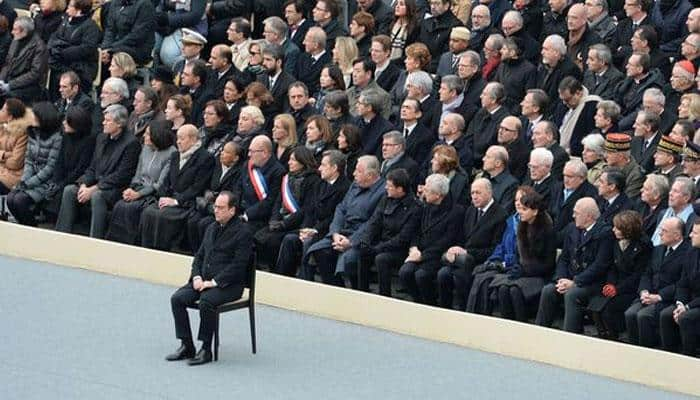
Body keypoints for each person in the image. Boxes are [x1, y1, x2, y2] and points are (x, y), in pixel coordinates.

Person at [166, 191, 253, 366]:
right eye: (215, 207)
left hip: (228, 286)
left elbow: (238, 266)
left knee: (206, 302)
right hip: (203, 280)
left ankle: (206, 349)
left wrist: (213, 283)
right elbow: (199, 256)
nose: (216, 211)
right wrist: (197, 277)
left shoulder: (243, 232)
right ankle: (186, 345)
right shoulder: (211, 227)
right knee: (177, 298)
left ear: (232, 210)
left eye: (221, 208)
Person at [55, 104, 140, 238]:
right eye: (104, 119)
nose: (103, 123)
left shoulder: (131, 143)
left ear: (119, 124)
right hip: (96, 183)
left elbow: (122, 175)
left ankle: (95, 239)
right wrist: (83, 183)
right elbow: (92, 167)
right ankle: (62, 234)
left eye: (108, 120)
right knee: (70, 190)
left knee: (97, 196)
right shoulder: (101, 138)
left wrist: (94, 188)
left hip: (115, 188)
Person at [302, 155, 384, 286]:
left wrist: (351, 241)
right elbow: (341, 208)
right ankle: (335, 288)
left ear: (370, 175)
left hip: (363, 239)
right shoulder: (355, 185)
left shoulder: (382, 192)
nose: (354, 173)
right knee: (318, 250)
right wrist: (335, 233)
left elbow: (373, 222)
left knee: (349, 260)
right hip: (342, 233)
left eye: (358, 171)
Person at [536, 197, 614, 333]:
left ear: (588, 216)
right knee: (549, 290)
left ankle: (570, 335)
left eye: (576, 213)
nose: (573, 216)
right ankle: (540, 331)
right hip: (569, 279)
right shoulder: (572, 228)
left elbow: (600, 265)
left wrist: (575, 282)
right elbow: (564, 258)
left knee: (572, 294)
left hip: (592, 283)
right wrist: (561, 278)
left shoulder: (605, 233)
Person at [274, 150, 351, 276]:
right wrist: (306, 228)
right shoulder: (320, 183)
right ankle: (283, 278)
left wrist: (314, 230)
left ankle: (305, 280)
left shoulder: (344, 188)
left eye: (323, 165)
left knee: (309, 242)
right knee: (289, 239)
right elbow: (309, 209)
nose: (319, 168)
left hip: (326, 231)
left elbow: (335, 216)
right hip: (310, 227)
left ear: (334, 168)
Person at [140, 124, 214, 251]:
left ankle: (165, 251)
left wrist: (176, 201)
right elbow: (167, 180)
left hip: (187, 203)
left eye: (182, 138)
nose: (178, 142)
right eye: (177, 138)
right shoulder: (175, 156)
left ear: (193, 140)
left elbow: (198, 187)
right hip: (170, 198)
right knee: (148, 211)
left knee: (164, 215)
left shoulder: (205, 158)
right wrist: (164, 196)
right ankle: (147, 250)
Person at [437, 178, 507, 310]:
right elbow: (461, 238)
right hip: (462, 259)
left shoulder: (500, 215)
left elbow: (495, 249)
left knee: (461, 274)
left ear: (489, 192)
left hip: (481, 261)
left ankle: (464, 312)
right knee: (443, 274)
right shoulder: (470, 210)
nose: (474, 196)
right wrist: (454, 249)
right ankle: (444, 311)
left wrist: (467, 252)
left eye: (478, 193)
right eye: (472, 193)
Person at [489, 189, 556, 321]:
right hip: (524, 272)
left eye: (525, 209)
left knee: (514, 290)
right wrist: (518, 267)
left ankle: (521, 324)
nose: (520, 212)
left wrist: (525, 270)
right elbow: (522, 257)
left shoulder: (547, 231)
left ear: (535, 211)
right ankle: (506, 324)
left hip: (540, 275)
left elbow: (548, 264)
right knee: (503, 288)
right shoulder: (522, 226)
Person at [105, 119, 176, 244]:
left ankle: (132, 244)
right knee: (120, 205)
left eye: (148, 134)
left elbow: (159, 184)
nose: (144, 136)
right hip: (138, 188)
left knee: (133, 208)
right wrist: (131, 189)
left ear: (157, 135)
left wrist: (139, 194)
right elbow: (137, 174)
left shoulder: (171, 153)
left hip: (152, 193)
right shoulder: (145, 149)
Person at [399, 173, 464, 305]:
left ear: (438, 195)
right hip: (420, 251)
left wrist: (423, 256)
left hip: (437, 255)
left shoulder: (455, 211)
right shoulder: (425, 206)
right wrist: (414, 247)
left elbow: (447, 240)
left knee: (421, 275)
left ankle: (431, 304)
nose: (423, 192)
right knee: (405, 272)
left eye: (427, 190)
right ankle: (418, 302)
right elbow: (416, 230)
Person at [625, 217, 690, 348]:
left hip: (668, 298)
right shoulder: (658, 249)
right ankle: (632, 350)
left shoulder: (688, 252)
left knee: (643, 316)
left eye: (664, 231)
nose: (660, 233)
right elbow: (647, 273)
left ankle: (648, 353)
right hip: (649, 294)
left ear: (677, 235)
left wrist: (659, 297)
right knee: (630, 313)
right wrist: (644, 291)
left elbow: (682, 282)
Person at [588, 210, 652, 340]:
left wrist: (618, 289)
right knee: (594, 306)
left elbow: (638, 274)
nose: (613, 230)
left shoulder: (644, 246)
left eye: (617, 228)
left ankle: (613, 337)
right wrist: (611, 283)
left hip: (630, 289)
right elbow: (613, 267)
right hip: (615, 284)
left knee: (608, 309)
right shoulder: (616, 242)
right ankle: (602, 334)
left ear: (627, 230)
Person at [254, 146, 321, 268]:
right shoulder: (287, 177)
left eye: (293, 160)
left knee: (273, 240)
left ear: (303, 161)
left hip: (297, 224)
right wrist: (274, 219)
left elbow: (306, 209)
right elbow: (278, 202)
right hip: (281, 221)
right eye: (289, 159)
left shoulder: (313, 180)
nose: (289, 162)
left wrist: (284, 224)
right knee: (259, 236)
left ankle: (277, 273)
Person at [356, 168, 418, 293]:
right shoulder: (386, 199)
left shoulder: (414, 208)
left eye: (390, 186)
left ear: (400, 189)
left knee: (381, 259)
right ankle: (361, 291)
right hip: (382, 242)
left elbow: (403, 238)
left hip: (399, 249)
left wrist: (378, 248)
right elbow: (375, 221)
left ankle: (384, 295)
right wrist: (365, 240)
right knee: (363, 252)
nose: (386, 188)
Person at [6, 102, 63, 227]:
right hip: (31, 178)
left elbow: (50, 167)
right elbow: (29, 160)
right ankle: (23, 226)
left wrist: (29, 183)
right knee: (11, 199)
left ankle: (32, 228)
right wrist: (24, 181)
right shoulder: (32, 132)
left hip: (46, 182)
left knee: (20, 200)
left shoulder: (57, 138)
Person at [187, 140, 244, 253]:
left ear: (235, 158)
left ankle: (209, 253)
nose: (222, 153)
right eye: (222, 150)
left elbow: (234, 195)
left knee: (204, 224)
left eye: (227, 152)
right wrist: (207, 193)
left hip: (223, 209)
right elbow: (206, 184)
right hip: (208, 205)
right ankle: (196, 253)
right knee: (192, 220)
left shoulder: (239, 172)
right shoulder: (216, 165)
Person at [41, 106, 95, 220]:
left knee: (58, 198)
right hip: (63, 177)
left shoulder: (89, 141)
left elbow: (81, 169)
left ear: (76, 123)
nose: (64, 123)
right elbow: (59, 161)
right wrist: (55, 181)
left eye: (67, 121)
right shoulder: (66, 136)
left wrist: (61, 184)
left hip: (75, 180)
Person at [660, 218, 700, 355]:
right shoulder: (692, 252)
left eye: (695, 233)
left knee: (687, 318)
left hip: (696, 303)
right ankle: (668, 355)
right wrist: (680, 304)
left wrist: (687, 307)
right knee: (666, 315)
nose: (690, 235)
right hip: (689, 300)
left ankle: (688, 357)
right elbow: (683, 283)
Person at [46, 0, 100, 98]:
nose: (67, 9)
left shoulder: (91, 27)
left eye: (70, 6)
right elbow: (54, 37)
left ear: (79, 9)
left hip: (80, 67)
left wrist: (63, 52)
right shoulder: (66, 21)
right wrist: (54, 49)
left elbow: (87, 48)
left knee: (62, 76)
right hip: (61, 62)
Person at [549, 159, 598, 247]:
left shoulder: (590, 194)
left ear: (582, 178)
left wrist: (555, 239)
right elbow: (550, 211)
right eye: (564, 175)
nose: (566, 180)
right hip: (551, 236)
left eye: (570, 177)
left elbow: (578, 222)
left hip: (570, 241)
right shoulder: (557, 188)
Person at [0, 16, 48, 102]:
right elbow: (7, 63)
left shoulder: (39, 47)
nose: (12, 32)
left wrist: (11, 85)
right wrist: (1, 80)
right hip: (12, 79)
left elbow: (34, 74)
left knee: (6, 96)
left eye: (15, 29)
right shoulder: (15, 40)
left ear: (24, 31)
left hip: (29, 86)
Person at [99, 0, 155, 66]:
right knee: (96, 52)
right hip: (116, 45)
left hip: (137, 48)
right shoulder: (115, 3)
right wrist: (105, 48)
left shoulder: (145, 5)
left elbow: (136, 36)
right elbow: (110, 30)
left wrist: (111, 49)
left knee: (113, 55)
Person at [0, 99, 32, 195]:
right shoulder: (2, 127)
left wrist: (2, 157)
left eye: (2, 110)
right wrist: (6, 154)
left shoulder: (22, 133)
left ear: (10, 117)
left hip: (12, 177)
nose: (0, 112)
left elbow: (15, 163)